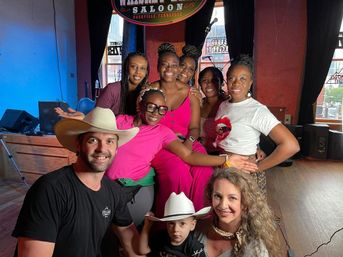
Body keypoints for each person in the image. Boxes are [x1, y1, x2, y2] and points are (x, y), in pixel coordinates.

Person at [106, 88, 258, 225]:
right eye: (151, 106)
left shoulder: (162, 132)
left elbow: (188, 155)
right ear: (141, 105)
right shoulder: (120, 121)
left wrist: (226, 160)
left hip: (132, 188)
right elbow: (96, 127)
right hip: (106, 183)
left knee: (123, 228)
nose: (155, 113)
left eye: (162, 109)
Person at [11, 107, 141, 257]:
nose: (102, 148)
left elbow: (130, 240)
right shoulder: (49, 190)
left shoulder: (113, 191)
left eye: (110, 141)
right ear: (78, 145)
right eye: (93, 140)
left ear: (116, 149)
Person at [214, 55, 300, 194]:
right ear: (226, 81)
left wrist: (258, 167)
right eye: (232, 78)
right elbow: (239, 133)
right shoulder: (223, 105)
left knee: (243, 214)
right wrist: (257, 147)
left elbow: (291, 145)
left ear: (250, 83)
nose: (236, 83)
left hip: (242, 175)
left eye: (243, 79)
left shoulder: (257, 110)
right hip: (223, 167)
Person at [148, 43, 212, 216]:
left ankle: (198, 222)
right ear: (158, 66)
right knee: (178, 173)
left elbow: (194, 128)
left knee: (204, 170)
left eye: (174, 66)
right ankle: (171, 223)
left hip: (188, 141)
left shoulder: (191, 93)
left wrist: (188, 145)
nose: (171, 69)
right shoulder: (149, 90)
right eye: (165, 64)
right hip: (161, 146)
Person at [195, 168, 281, 257]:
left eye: (232, 198)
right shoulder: (198, 226)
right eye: (218, 196)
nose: (223, 205)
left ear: (245, 202)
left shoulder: (255, 250)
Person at [58, 52, 149, 118]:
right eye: (133, 67)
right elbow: (97, 118)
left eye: (142, 68)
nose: (138, 72)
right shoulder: (112, 89)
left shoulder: (147, 92)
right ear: (126, 68)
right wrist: (83, 118)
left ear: (146, 72)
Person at [137, 192, 210, 257]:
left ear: (192, 225)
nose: (176, 229)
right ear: (166, 224)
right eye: (171, 223)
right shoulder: (161, 237)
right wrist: (146, 227)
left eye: (182, 223)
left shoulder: (194, 247)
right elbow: (143, 250)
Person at [198, 66, 226, 154]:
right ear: (200, 84)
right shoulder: (198, 105)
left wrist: (257, 147)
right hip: (200, 153)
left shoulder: (228, 105)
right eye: (204, 81)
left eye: (214, 80)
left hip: (224, 155)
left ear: (221, 83)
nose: (209, 84)